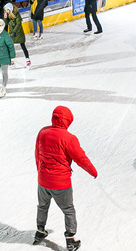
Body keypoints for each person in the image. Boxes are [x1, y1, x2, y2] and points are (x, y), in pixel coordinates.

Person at [33, 106, 98, 250]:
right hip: (60, 183)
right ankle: (70, 239)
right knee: (68, 210)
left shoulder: (43, 132)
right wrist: (93, 172)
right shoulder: (69, 138)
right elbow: (81, 158)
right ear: (68, 121)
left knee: (42, 206)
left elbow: (37, 153)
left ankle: (40, 231)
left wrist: (40, 171)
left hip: (43, 180)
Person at [4, 3, 30, 67]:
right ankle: (12, 60)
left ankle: (27, 59)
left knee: (23, 46)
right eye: (5, 10)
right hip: (12, 33)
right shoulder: (8, 15)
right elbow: (6, 23)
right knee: (11, 47)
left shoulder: (17, 14)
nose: (6, 11)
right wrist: (5, 18)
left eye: (7, 10)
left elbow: (18, 24)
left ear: (10, 9)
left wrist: (14, 32)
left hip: (18, 32)